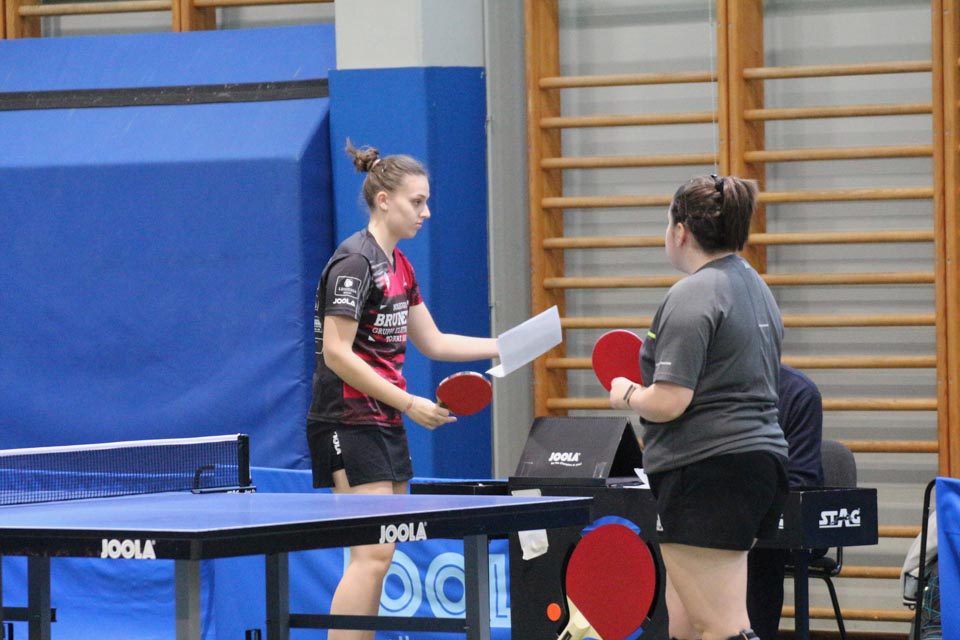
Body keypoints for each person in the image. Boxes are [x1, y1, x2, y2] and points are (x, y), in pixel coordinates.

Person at [306, 140, 499, 640]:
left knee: (382, 551)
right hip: (347, 419)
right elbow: (337, 353)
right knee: (371, 553)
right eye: (417, 202)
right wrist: (410, 402)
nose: (426, 212)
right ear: (384, 200)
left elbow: (433, 341)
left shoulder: (400, 266)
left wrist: (503, 345)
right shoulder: (354, 263)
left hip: (383, 417)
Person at [608, 174, 790, 640]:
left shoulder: (693, 293)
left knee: (722, 627)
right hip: (754, 465)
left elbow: (670, 401)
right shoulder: (755, 285)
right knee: (686, 625)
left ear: (681, 230)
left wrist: (626, 393)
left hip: (708, 471)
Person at [747, 363, 824, 639]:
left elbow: (801, 479)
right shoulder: (704, 387)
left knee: (757, 548)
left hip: (778, 519)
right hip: (715, 510)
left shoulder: (799, 392)